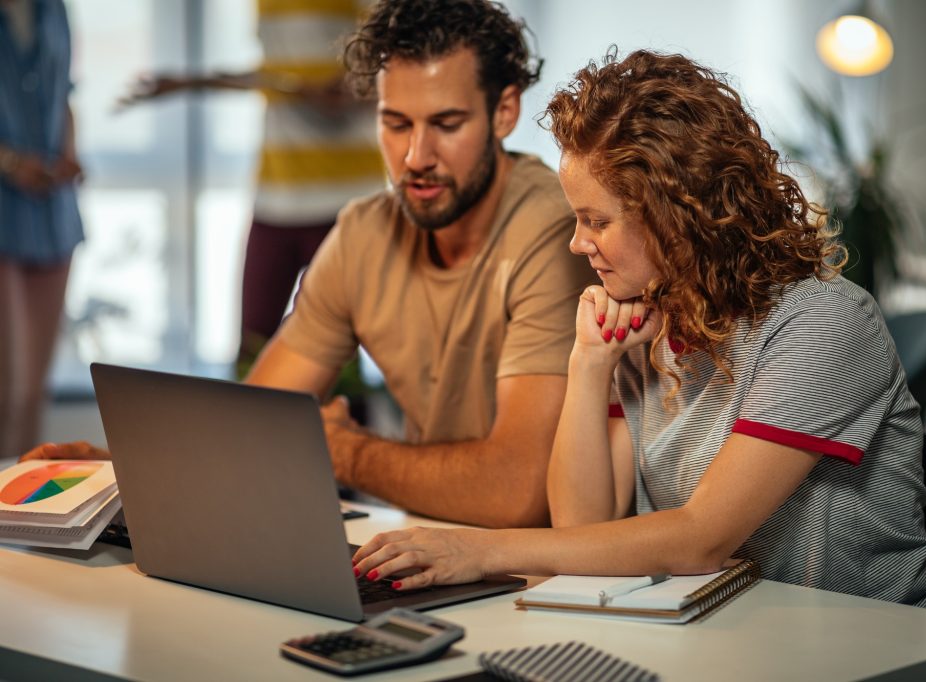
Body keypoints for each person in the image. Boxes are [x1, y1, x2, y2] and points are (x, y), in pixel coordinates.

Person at [350, 49, 926, 609]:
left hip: (866, 643)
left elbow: (699, 540)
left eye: (595, 221)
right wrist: (589, 364)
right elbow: (583, 531)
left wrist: (480, 548)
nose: (577, 242)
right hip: (729, 632)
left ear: (675, 218)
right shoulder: (650, 316)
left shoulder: (821, 323)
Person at [24, 0, 596, 530]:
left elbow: (517, 493)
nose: (416, 158)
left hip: (557, 572)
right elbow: (257, 424)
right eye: (395, 124)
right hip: (431, 543)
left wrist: (346, 453)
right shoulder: (364, 233)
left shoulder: (551, 230)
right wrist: (120, 469)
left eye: (446, 125)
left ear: (505, 111)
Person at [116, 0, 383, 375]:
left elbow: (398, 66)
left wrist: (357, 88)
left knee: (339, 363)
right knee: (252, 351)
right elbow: (274, 71)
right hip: (276, 195)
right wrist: (190, 81)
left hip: (345, 202)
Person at [0, 0, 84, 459]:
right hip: (4, 209)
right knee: (5, 390)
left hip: (53, 211)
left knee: (33, 393)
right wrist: (11, 162)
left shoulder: (53, 8)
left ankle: (22, 521)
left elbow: (64, 93)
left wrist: (70, 151)